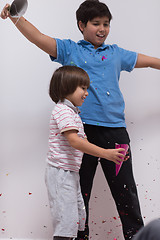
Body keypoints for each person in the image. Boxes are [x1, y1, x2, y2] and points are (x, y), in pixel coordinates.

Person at [1, 1, 160, 239]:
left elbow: (148, 61)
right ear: (81, 25)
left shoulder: (116, 53)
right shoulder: (70, 50)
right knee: (79, 193)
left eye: (106, 24)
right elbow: (38, 38)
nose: (102, 29)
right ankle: (79, 236)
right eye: (96, 23)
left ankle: (137, 236)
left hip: (116, 134)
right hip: (80, 133)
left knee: (126, 192)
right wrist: (15, 17)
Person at [45, 65, 127, 240]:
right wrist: (105, 153)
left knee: (77, 217)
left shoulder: (72, 112)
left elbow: (84, 142)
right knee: (66, 221)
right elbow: (75, 141)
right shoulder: (63, 111)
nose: (87, 93)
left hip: (70, 172)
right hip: (61, 173)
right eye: (83, 88)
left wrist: (112, 154)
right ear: (67, 87)